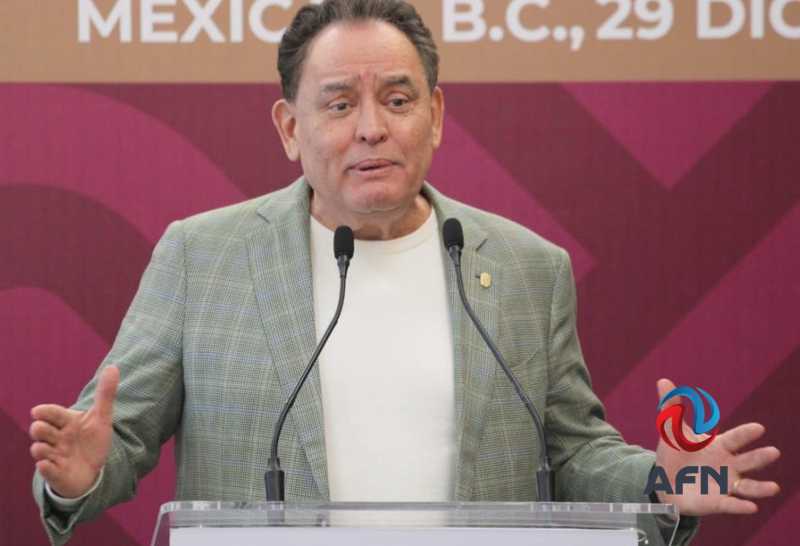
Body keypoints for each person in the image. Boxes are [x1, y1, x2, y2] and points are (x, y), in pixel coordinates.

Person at [29, 1, 780, 545]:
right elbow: (117, 438)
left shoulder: (526, 269)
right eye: (339, 104)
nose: (371, 128)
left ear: (437, 115)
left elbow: (574, 452)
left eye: (397, 100)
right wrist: (79, 473)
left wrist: (660, 483)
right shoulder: (202, 257)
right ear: (290, 128)